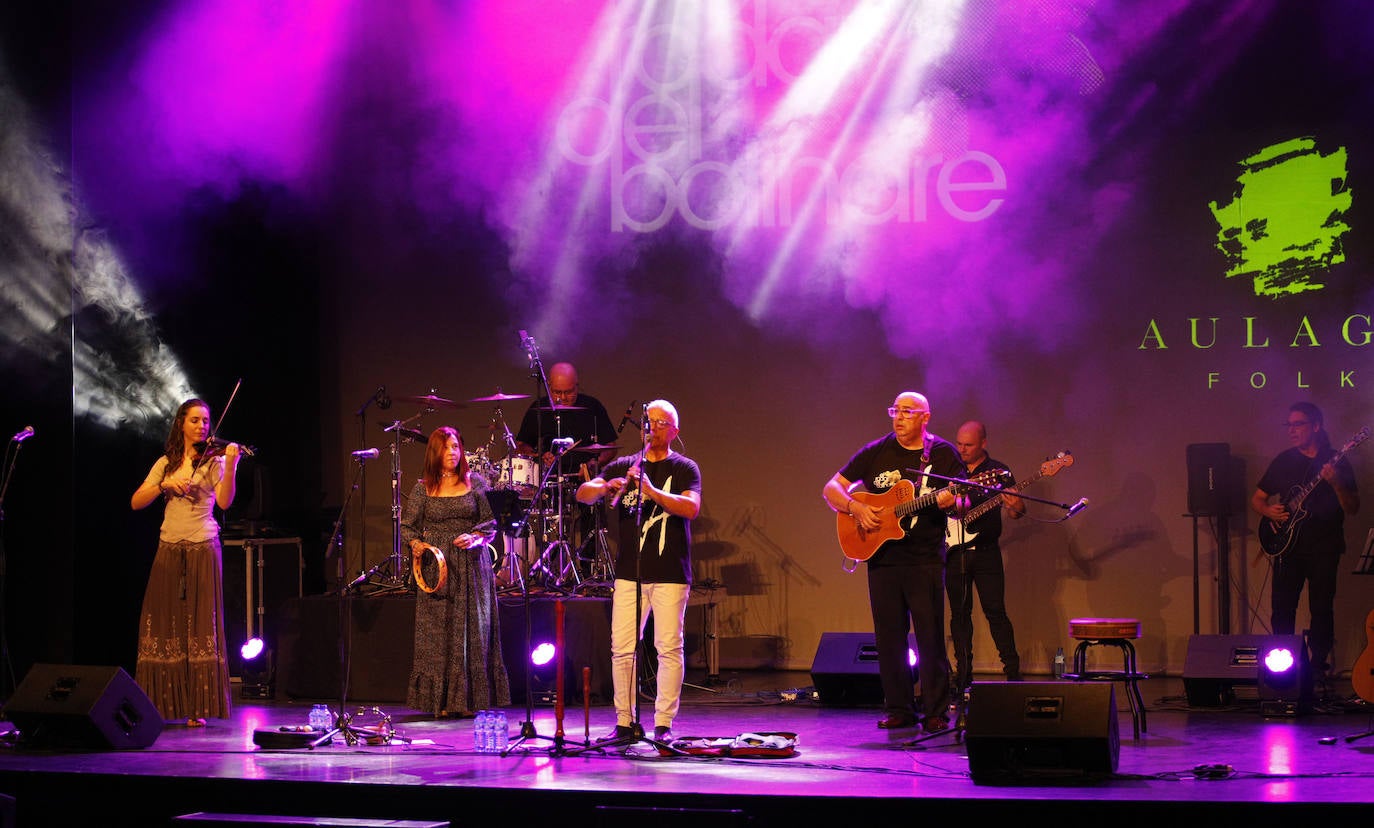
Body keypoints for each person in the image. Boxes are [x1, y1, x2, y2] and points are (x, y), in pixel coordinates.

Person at [821, 391, 961, 733]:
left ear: (925, 417)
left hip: (924, 559)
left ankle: (936, 710)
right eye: (895, 411)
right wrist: (855, 507)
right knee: (889, 638)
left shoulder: (942, 454)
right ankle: (899, 708)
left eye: (907, 411)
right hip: (882, 558)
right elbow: (831, 488)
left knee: (929, 637)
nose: (899, 417)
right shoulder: (876, 450)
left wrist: (951, 502)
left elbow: (961, 502)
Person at [576, 399, 701, 742]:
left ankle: (663, 725)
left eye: (661, 423)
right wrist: (606, 486)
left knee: (668, 648)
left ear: (674, 431)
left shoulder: (685, 467)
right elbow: (583, 494)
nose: (652, 428)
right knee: (622, 648)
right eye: (648, 421)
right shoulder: (625, 465)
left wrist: (651, 491)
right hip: (630, 572)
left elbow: (690, 507)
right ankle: (625, 723)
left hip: (670, 572)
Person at [130, 398, 242, 726]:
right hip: (168, 546)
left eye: (205, 421)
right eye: (195, 420)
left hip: (203, 545)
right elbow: (136, 502)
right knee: (164, 622)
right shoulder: (165, 463)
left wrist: (231, 464)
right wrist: (164, 484)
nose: (202, 426)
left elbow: (225, 501)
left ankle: (197, 707)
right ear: (181, 423)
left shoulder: (215, 462)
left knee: (200, 624)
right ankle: (160, 704)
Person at [400, 426, 512, 718]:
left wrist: (476, 537)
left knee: (472, 631)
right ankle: (438, 702)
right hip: (437, 568)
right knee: (437, 633)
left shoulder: (476, 483)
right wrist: (416, 544)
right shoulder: (423, 488)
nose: (452, 453)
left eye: (456, 447)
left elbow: (490, 522)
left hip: (471, 565)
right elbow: (408, 527)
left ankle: (469, 701)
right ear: (434, 453)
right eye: (446, 448)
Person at [1251, 402, 1360, 687]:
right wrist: (1268, 512)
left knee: (1321, 608)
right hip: (1288, 547)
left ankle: (1317, 668)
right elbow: (1258, 499)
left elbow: (1353, 507)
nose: (1291, 430)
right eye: (1288, 425)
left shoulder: (1335, 460)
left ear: (1316, 426)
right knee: (1282, 608)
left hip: (1324, 546)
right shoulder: (1283, 460)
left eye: (1298, 424)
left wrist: (1335, 483)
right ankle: (1282, 668)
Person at [946, 420, 1025, 693]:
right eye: (959, 443)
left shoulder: (999, 472)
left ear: (983, 443)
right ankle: (963, 676)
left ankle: (1013, 674)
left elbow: (1015, 513)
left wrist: (1015, 505)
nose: (962, 449)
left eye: (968, 445)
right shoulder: (950, 469)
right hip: (954, 553)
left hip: (986, 553)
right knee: (959, 615)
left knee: (996, 612)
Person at [514, 361, 620, 475]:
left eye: (568, 392)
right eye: (557, 392)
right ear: (549, 387)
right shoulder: (538, 408)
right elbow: (522, 446)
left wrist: (594, 464)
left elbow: (610, 447)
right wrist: (539, 456)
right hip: (548, 477)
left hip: (585, 478)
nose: (563, 398)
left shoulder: (592, 406)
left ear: (577, 386)